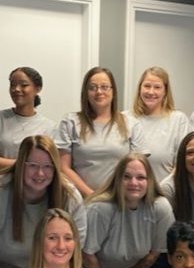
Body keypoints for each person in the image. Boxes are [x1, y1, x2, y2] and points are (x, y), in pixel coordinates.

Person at [0, 135, 87, 268]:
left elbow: (74, 250)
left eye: (48, 166)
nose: (40, 173)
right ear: (19, 165)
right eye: (33, 165)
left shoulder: (69, 197)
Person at [57, 66, 148, 196]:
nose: (99, 92)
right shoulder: (70, 122)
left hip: (120, 200)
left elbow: (138, 169)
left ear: (113, 91)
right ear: (86, 93)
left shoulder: (131, 123)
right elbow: (63, 167)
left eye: (104, 87)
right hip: (81, 200)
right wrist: (91, 195)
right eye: (92, 87)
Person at [0, 66, 56, 171]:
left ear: (38, 88)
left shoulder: (49, 127)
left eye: (24, 85)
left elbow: (49, 166)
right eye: (13, 85)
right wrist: (29, 164)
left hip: (34, 186)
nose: (16, 89)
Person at [124, 67, 190, 181]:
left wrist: (164, 190)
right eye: (147, 86)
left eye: (157, 87)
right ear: (140, 88)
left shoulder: (178, 120)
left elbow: (183, 163)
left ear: (165, 91)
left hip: (166, 192)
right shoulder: (125, 118)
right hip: (130, 191)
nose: (151, 92)